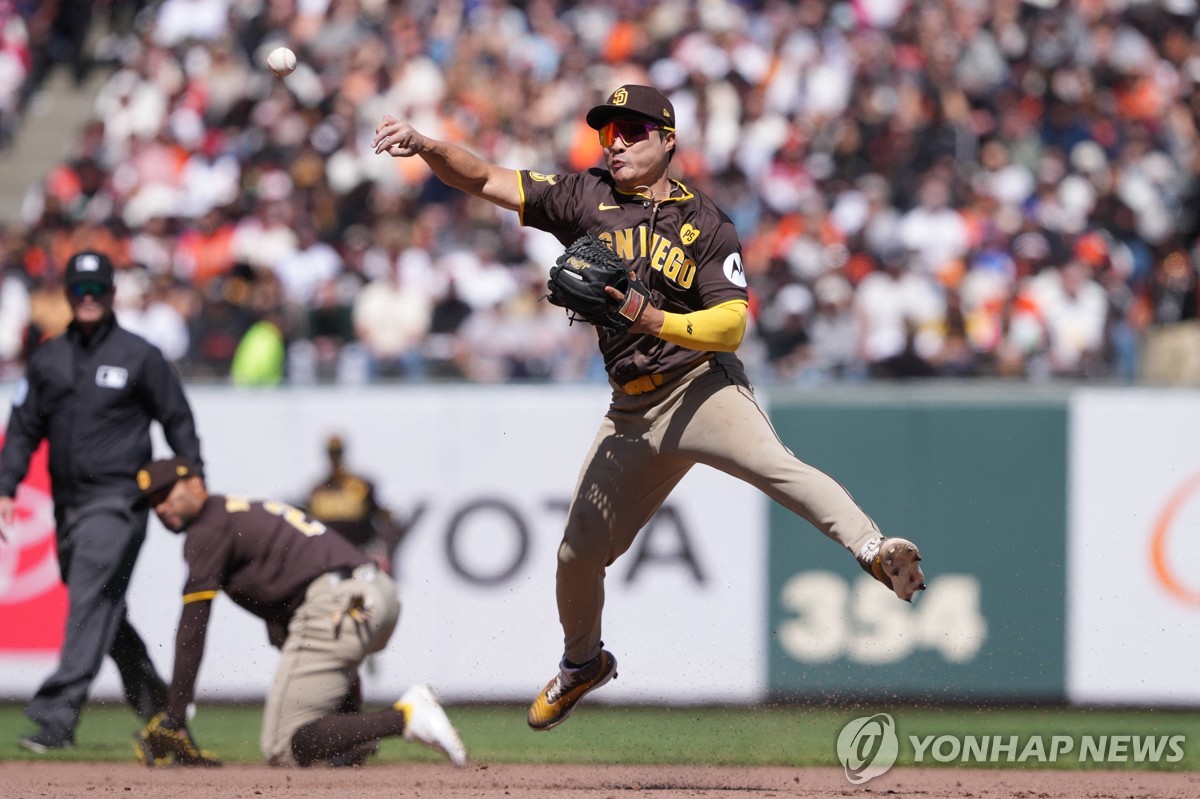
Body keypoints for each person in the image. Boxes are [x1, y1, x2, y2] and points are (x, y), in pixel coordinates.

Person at [372, 84, 927, 732]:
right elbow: (489, 178)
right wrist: (429, 146)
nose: (618, 143)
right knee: (576, 554)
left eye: (634, 132)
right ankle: (583, 663)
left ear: (668, 140)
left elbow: (729, 324)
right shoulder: (585, 196)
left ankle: (873, 549)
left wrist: (649, 315)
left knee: (780, 467)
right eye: (610, 132)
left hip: (699, 388)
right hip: (630, 413)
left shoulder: (705, 222)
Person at [130, 456, 467, 768]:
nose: (159, 508)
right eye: (151, 503)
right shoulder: (239, 514)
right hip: (373, 595)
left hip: (337, 601)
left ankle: (405, 716)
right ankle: (354, 745)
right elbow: (286, 621)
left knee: (283, 744)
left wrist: (175, 714)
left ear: (195, 485)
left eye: (165, 494)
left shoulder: (207, 528)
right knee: (314, 707)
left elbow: (194, 625)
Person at [0, 250, 204, 752]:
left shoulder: (140, 355)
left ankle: (55, 717)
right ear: (67, 295)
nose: (89, 298)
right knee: (103, 611)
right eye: (79, 290)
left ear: (112, 294)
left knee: (90, 600)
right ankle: (164, 716)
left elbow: (178, 420)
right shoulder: (48, 358)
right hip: (68, 505)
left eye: (98, 290)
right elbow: (24, 428)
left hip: (119, 502)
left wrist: (191, 479)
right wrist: (6, 485)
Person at [306, 434, 404, 575]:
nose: (335, 457)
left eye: (338, 453)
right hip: (330, 559)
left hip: (360, 554)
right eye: (332, 453)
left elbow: (382, 516)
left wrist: (384, 550)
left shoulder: (361, 486)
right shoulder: (318, 490)